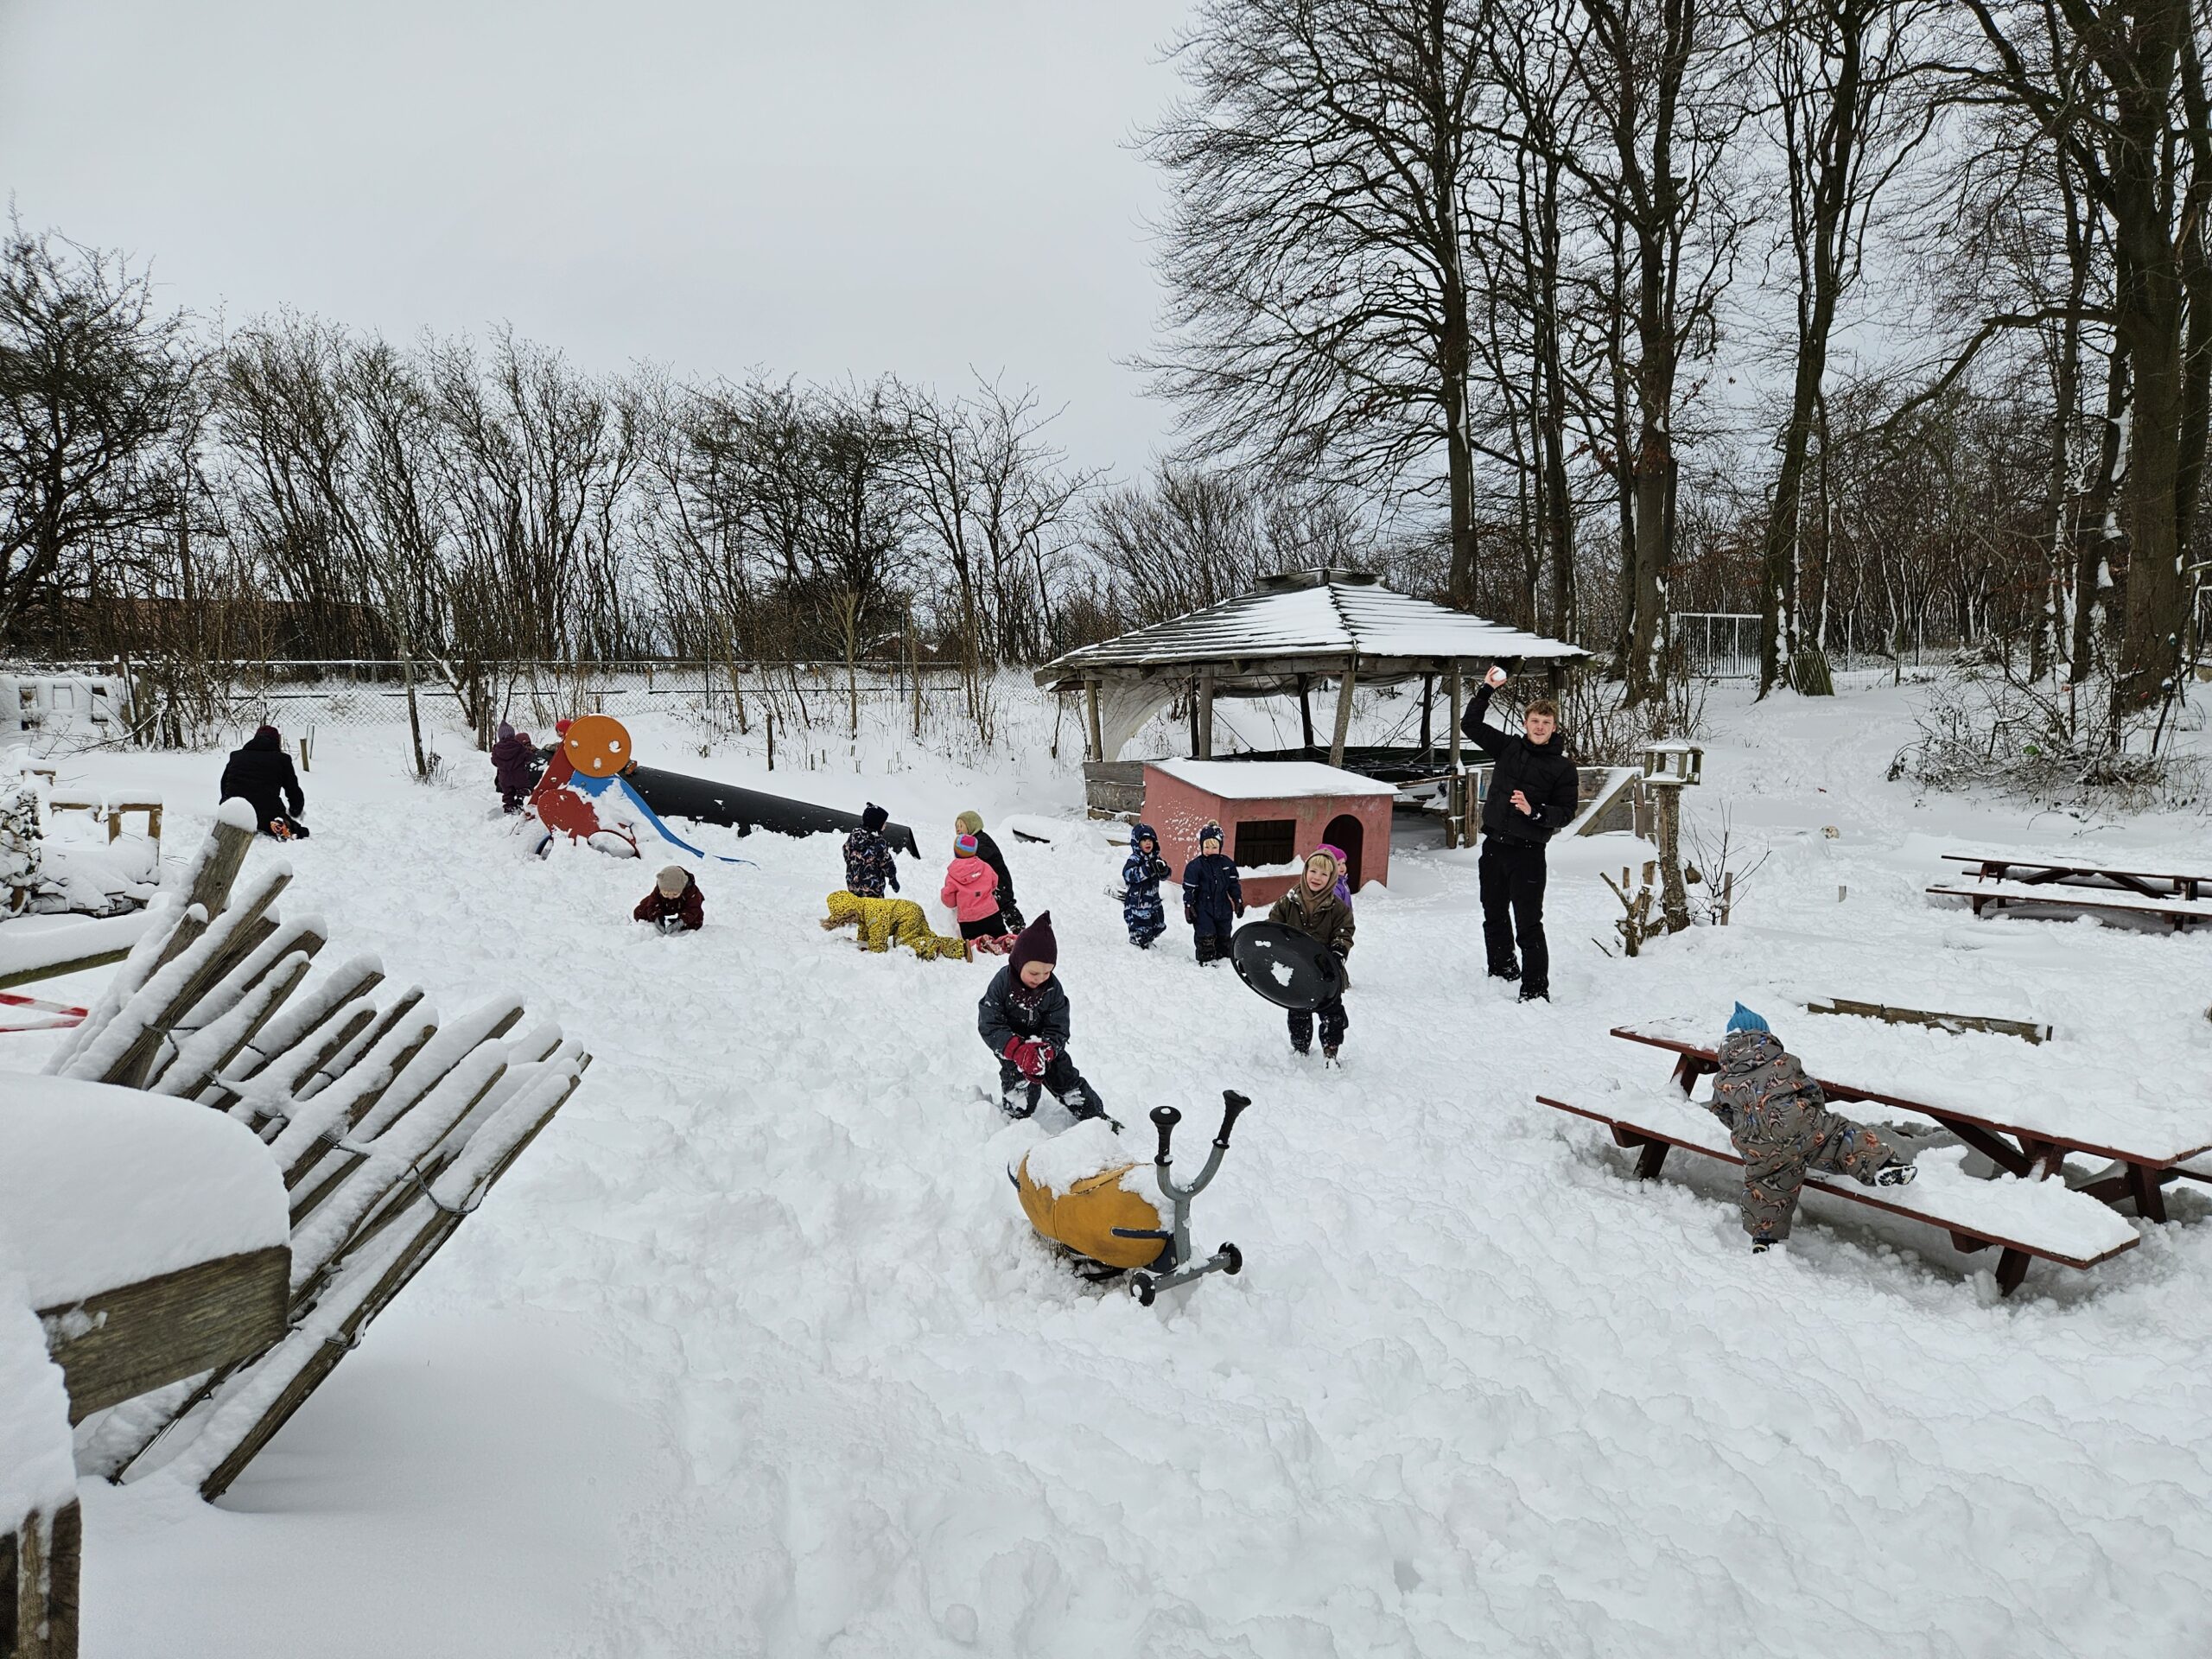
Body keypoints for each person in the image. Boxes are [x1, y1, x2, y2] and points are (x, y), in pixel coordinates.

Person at [1707, 1004, 1917, 1252]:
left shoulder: (1722, 1078)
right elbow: (1810, 1090)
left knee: (1767, 1182)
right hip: (1797, 1125)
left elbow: (1720, 1110)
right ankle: (1881, 1165)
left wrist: (1746, 1129)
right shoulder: (1784, 1061)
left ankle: (1764, 1239)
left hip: (1755, 1142)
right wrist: (1816, 1117)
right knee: (1840, 1137)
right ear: (1765, 1035)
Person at [1461, 664, 1578, 1001]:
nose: (1540, 727)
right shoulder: (1509, 749)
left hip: (1528, 854)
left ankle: (1535, 989)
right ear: (1525, 723)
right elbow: (1470, 725)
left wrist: (1534, 811)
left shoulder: (1563, 768)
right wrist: (1486, 689)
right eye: (1534, 722)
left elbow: (1567, 812)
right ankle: (1502, 970)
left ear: (1554, 727)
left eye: (1546, 723)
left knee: (1528, 923)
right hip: (1494, 847)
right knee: (1493, 914)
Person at [976, 912, 1105, 1120]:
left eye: (1047, 973)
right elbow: (989, 1022)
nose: (1041, 978)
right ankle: (1016, 1117)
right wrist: (1017, 1050)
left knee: (1066, 1078)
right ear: (1018, 963)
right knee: (1018, 1083)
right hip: (1013, 1048)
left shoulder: (1053, 989)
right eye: (1034, 973)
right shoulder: (1002, 983)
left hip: (1044, 1047)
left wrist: (1048, 1049)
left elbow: (1059, 1026)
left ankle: (1095, 1117)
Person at [1268, 847, 1356, 1065]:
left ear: (1332, 877)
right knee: (1298, 1011)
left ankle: (1330, 1049)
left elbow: (1344, 931)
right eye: (1313, 871)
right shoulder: (1289, 900)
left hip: (1326, 970)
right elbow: (1273, 925)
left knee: (1332, 1013)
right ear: (1305, 871)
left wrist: (1338, 951)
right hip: (1296, 969)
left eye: (1324, 874)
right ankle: (1300, 1047)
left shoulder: (1338, 908)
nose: (1317, 878)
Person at [819, 889, 967, 960]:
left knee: (904, 944)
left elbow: (879, 944)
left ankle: (958, 948)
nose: (849, 920)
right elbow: (865, 931)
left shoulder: (873, 914)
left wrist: (870, 948)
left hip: (908, 915)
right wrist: (860, 944)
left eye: (848, 916)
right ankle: (940, 945)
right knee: (923, 937)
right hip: (910, 910)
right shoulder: (863, 907)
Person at [219, 724, 310, 839]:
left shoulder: (236, 756)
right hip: (267, 814)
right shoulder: (282, 760)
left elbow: (224, 784)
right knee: (299, 831)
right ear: (277, 741)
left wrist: (225, 803)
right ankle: (280, 825)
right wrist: (295, 810)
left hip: (234, 813)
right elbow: (293, 790)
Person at [1181, 821, 1244, 964]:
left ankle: (1223, 958)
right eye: (1207, 846)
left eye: (1214, 847)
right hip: (1203, 907)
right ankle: (1207, 959)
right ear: (1201, 846)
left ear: (1220, 847)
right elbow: (1189, 888)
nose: (1210, 850)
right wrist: (1189, 904)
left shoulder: (1227, 864)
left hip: (1223, 907)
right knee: (1206, 934)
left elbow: (1233, 884)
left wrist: (1237, 900)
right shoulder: (1195, 866)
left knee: (1224, 933)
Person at [956, 810, 1023, 931]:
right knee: (994, 907)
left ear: (972, 826)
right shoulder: (972, 843)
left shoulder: (982, 841)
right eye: (956, 826)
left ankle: (1019, 928)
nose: (958, 829)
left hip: (1000, 882)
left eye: (961, 826)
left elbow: (981, 858)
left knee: (1004, 904)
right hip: (990, 881)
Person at [942, 830, 1010, 945]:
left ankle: (980, 943)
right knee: (1000, 934)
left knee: (972, 941)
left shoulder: (952, 875)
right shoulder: (985, 866)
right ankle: (1007, 942)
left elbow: (950, 901)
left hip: (969, 919)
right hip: (991, 913)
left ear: (956, 852)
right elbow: (994, 882)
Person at [1121, 822, 1172, 948]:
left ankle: (1149, 938)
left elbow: (1165, 875)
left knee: (1157, 921)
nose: (1148, 843)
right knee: (1140, 922)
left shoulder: (1156, 859)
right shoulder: (1135, 859)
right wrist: (1147, 869)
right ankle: (1138, 940)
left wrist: (1164, 871)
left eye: (1150, 840)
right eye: (1144, 841)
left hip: (1153, 898)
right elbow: (1128, 874)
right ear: (1137, 843)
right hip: (1138, 900)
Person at [842, 803, 901, 899]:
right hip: (873, 891)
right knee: (875, 911)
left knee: (859, 909)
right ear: (877, 824)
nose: (885, 825)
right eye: (884, 823)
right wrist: (893, 879)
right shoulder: (879, 843)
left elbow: (846, 852)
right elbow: (887, 864)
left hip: (853, 887)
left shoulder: (853, 838)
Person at [633, 864, 704, 932]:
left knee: (696, 919)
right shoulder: (659, 888)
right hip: (664, 905)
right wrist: (656, 917)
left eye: (675, 894)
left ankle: (686, 926)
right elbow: (653, 903)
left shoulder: (691, 890)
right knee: (642, 909)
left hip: (682, 907)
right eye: (665, 894)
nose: (670, 897)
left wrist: (682, 921)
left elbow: (693, 908)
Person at [491, 721, 538, 814]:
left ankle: (509, 807)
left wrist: (502, 765)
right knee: (524, 788)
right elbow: (528, 757)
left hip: (504, 778)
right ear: (513, 735)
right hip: (519, 775)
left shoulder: (496, 748)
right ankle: (521, 801)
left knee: (508, 794)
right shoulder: (518, 746)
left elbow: (494, 761)